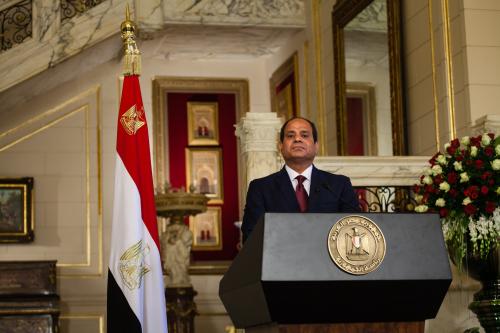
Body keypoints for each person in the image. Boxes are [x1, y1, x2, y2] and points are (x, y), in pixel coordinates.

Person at [241, 117, 360, 243]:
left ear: (316, 146)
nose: (297, 139)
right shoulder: (261, 188)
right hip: (281, 259)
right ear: (280, 146)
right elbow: (251, 237)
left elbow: (354, 228)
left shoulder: (339, 185)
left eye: (304, 135)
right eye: (290, 136)